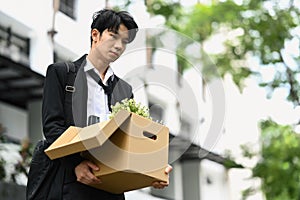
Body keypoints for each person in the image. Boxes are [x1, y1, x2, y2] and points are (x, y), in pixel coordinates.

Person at [33, 8, 172, 200]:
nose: (118, 46)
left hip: (111, 188)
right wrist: (75, 164)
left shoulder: (124, 90)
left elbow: (128, 140)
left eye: (124, 41)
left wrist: (151, 170)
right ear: (95, 35)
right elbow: (52, 129)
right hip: (72, 182)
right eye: (113, 36)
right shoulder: (62, 74)